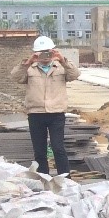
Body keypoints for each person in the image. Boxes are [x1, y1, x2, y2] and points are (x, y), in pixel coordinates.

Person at [12, 36, 80, 176]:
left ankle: (65, 179)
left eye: (48, 52)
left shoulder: (61, 67)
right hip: (36, 114)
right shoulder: (30, 69)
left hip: (56, 114)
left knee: (58, 148)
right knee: (39, 151)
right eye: (41, 52)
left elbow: (75, 74)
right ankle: (43, 178)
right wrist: (28, 62)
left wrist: (62, 60)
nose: (45, 56)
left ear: (53, 51)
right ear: (35, 53)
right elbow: (16, 77)